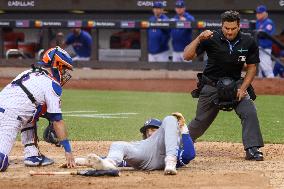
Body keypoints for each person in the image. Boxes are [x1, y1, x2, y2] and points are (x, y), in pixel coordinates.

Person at [183, 11, 264, 161]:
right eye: (226, 28)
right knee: (200, 122)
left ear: (239, 26)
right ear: (222, 26)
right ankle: (182, 143)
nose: (229, 31)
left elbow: (252, 67)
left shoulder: (248, 41)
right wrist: (199, 38)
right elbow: (187, 56)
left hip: (236, 85)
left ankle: (253, 148)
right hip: (211, 85)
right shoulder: (210, 38)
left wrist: (244, 88)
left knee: (249, 111)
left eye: (233, 28)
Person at [0, 46, 76, 171]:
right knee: (1, 162)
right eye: (64, 69)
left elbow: (32, 105)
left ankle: (32, 155)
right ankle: (31, 155)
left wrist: (48, 117)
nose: (64, 74)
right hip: (9, 118)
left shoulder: (29, 73)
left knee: (31, 114)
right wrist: (68, 151)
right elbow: (57, 120)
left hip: (7, 110)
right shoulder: (52, 84)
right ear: (57, 65)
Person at [68, 113, 195, 175]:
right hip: (144, 157)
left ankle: (170, 163)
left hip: (166, 156)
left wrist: (184, 130)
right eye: (148, 130)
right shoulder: (141, 144)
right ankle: (109, 165)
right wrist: (85, 161)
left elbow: (189, 155)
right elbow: (125, 160)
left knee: (170, 118)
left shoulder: (171, 146)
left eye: (154, 130)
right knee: (119, 145)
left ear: (161, 131)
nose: (150, 133)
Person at [255, 5, 276, 78]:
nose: (258, 14)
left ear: (264, 13)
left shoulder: (268, 22)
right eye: (257, 13)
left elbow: (265, 33)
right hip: (258, 48)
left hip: (265, 49)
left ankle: (273, 87)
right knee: (260, 71)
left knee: (267, 69)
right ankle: (263, 89)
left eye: (260, 13)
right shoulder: (257, 22)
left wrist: (257, 32)